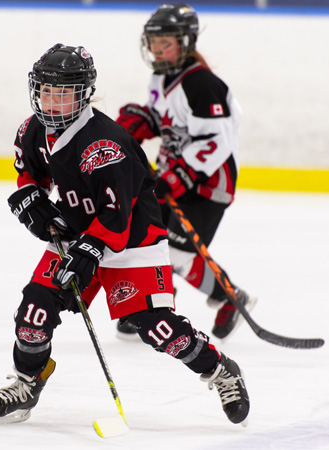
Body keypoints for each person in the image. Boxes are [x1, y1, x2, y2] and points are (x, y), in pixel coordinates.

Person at [0, 43, 249, 427]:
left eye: (64, 93)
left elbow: (117, 218)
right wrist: (31, 197)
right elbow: (31, 173)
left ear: (83, 94)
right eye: (46, 91)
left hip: (133, 243)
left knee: (157, 329)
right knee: (34, 310)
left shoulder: (105, 144)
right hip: (80, 237)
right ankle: (26, 382)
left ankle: (222, 371)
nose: (52, 101)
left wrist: (88, 252)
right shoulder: (33, 130)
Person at [115, 4, 257, 342]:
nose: (159, 49)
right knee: (144, 236)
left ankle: (229, 299)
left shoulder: (203, 84)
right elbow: (161, 118)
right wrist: (138, 125)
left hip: (208, 184)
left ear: (186, 42)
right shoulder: (161, 77)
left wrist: (176, 179)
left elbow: (215, 141)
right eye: (154, 42)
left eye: (167, 43)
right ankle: (156, 303)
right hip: (175, 175)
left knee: (177, 250)